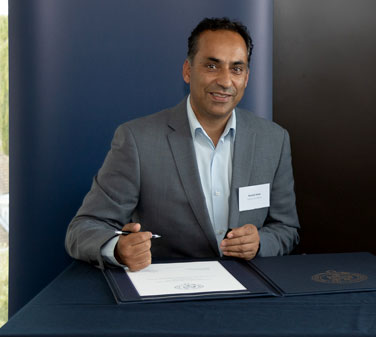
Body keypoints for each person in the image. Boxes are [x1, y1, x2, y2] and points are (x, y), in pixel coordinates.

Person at [66, 17, 299, 270]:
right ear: (188, 71)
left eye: (236, 68)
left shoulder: (273, 140)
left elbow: (286, 229)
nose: (225, 80)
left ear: (246, 77)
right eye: (212, 66)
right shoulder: (137, 140)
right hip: (168, 299)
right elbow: (82, 229)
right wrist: (118, 249)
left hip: (249, 293)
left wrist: (261, 242)